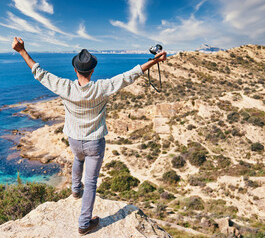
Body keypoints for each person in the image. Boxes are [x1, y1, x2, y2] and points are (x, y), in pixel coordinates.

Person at [12, 37, 167, 235]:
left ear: (75, 70)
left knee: (77, 158)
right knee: (92, 182)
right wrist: (154, 61)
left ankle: (75, 190)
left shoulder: (64, 86)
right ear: (92, 71)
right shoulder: (102, 88)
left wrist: (22, 51)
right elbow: (130, 75)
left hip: (74, 140)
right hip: (95, 142)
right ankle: (84, 223)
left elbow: (39, 73)